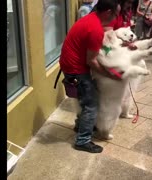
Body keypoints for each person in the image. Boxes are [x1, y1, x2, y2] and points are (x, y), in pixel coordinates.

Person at [59, 0, 120, 153]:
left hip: (70, 65)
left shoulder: (91, 18)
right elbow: (91, 61)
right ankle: (82, 140)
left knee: (84, 98)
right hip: (76, 69)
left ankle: (80, 126)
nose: (116, 18)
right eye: (116, 14)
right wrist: (110, 74)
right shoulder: (95, 29)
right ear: (108, 12)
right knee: (91, 105)